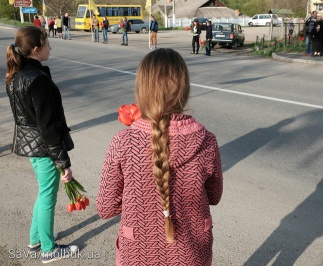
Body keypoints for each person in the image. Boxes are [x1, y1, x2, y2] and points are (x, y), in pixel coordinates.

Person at [96, 48, 223, 266]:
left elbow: (106, 208)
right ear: (184, 90)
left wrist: (140, 201)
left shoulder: (123, 142)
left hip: (137, 256)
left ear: (141, 91)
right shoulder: (207, 141)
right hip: (191, 257)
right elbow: (213, 196)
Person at [5, 26, 78, 263]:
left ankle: (36, 239)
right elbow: (48, 125)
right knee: (48, 197)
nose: (50, 47)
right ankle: (48, 249)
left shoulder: (16, 74)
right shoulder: (37, 80)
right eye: (47, 44)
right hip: (44, 148)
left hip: (33, 147)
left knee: (43, 193)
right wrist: (63, 161)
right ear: (36, 49)